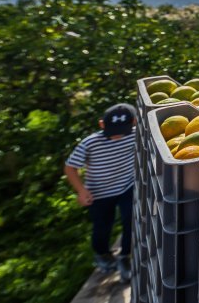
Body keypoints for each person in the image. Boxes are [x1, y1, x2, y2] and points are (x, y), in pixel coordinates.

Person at [64, 103, 137, 282]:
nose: (117, 135)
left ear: (134, 123)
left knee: (131, 219)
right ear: (102, 125)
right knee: (102, 226)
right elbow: (70, 167)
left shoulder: (135, 135)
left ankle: (125, 256)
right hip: (100, 192)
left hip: (126, 186)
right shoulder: (90, 143)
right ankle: (102, 255)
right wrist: (81, 191)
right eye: (112, 130)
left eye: (122, 130)